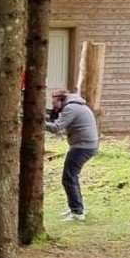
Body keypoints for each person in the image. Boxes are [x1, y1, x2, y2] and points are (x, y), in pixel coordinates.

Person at [45, 89, 99, 221]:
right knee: (72, 177)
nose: (54, 106)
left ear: (62, 100)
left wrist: (35, 122)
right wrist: (45, 118)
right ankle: (77, 209)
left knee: (68, 179)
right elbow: (57, 119)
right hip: (85, 145)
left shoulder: (71, 108)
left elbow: (56, 127)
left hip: (82, 147)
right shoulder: (76, 105)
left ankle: (77, 212)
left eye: (55, 103)